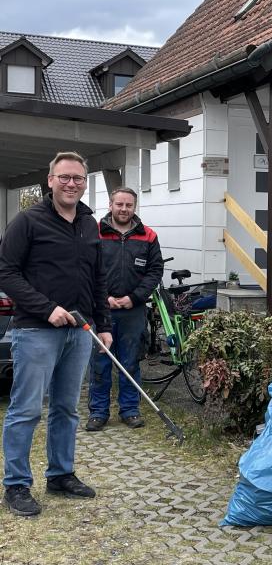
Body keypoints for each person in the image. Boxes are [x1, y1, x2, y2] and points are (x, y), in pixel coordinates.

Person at [0, 151, 112, 517]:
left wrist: (104, 324)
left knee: (66, 409)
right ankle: (16, 484)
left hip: (80, 332)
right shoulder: (28, 221)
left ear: (84, 182)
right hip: (36, 331)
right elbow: (6, 273)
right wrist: (46, 308)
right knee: (26, 409)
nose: (71, 184)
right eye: (64, 177)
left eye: (78, 178)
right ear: (50, 181)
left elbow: (97, 278)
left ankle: (61, 475)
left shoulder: (88, 224)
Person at [86, 187, 163, 432]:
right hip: (101, 310)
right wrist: (102, 298)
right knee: (100, 362)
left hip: (133, 311)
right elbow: (85, 267)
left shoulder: (148, 236)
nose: (124, 209)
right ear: (110, 205)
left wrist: (134, 297)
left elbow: (155, 271)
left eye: (128, 205)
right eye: (119, 204)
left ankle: (130, 410)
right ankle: (98, 412)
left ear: (134, 207)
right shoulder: (95, 233)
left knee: (130, 362)